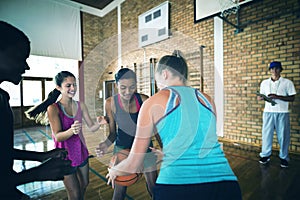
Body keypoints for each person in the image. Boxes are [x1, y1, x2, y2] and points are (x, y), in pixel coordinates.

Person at [106, 52, 242, 200]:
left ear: (164, 74)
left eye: (156, 78)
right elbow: (197, 143)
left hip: (177, 185)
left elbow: (134, 163)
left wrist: (115, 170)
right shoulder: (207, 99)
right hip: (225, 184)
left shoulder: (152, 102)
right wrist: (167, 153)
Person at [0, 21, 73, 199]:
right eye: (19, 57)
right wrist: (35, 174)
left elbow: (4, 151)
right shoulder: (53, 107)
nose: (26, 66)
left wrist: (41, 156)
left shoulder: (3, 97)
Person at [26, 70, 105, 199]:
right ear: (59, 87)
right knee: (74, 194)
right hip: (65, 156)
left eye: (74, 84)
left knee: (84, 183)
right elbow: (57, 136)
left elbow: (92, 127)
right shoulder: (53, 108)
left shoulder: (81, 105)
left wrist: (99, 122)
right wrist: (71, 131)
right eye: (68, 85)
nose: (73, 88)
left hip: (81, 152)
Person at [96, 68, 158, 200]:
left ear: (136, 85)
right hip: (122, 149)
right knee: (119, 190)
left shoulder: (144, 100)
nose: (128, 91)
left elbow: (155, 127)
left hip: (144, 147)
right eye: (123, 87)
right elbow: (112, 133)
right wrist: (104, 145)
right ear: (116, 85)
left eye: (132, 87)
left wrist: (164, 146)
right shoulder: (110, 103)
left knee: (154, 187)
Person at [257, 61, 296, 168]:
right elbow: (262, 96)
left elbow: (292, 98)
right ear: (270, 70)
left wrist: (277, 96)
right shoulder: (264, 83)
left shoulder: (287, 82)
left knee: (283, 136)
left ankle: (284, 157)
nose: (274, 71)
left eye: (277, 68)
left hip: (282, 112)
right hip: (268, 112)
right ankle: (265, 155)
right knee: (266, 135)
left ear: (280, 70)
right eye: (272, 69)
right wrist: (260, 98)